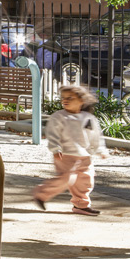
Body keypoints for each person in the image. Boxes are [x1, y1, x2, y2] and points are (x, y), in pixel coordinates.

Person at [35, 82, 110, 215]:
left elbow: (96, 136)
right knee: (67, 179)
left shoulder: (89, 118)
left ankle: (81, 205)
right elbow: (53, 134)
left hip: (84, 155)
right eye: (63, 98)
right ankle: (41, 193)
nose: (65, 100)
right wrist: (55, 149)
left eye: (70, 98)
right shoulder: (59, 116)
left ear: (82, 100)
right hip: (66, 155)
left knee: (86, 181)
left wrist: (100, 150)